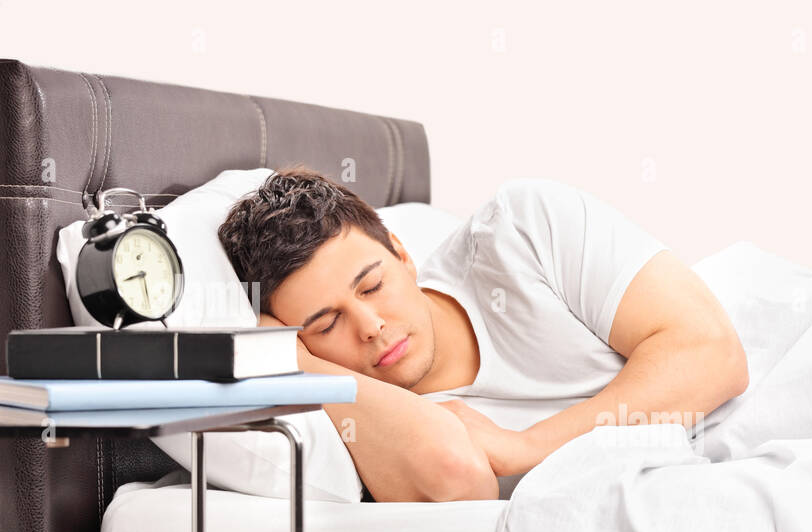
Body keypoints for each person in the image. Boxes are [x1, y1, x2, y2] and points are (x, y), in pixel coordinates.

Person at [218, 166, 748, 502]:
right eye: (327, 324)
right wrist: (297, 363)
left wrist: (526, 448)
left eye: (373, 286)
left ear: (402, 255)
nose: (371, 327)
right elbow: (454, 478)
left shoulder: (522, 229)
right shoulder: (372, 426)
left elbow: (713, 353)